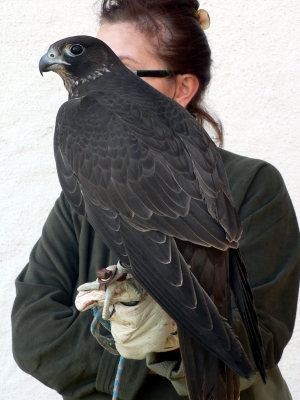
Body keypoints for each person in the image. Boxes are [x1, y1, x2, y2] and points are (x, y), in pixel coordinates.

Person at [11, 1, 300, 399]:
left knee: (212, 343)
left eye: (127, 69)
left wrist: (172, 335)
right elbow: (33, 332)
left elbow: (262, 340)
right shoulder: (90, 152)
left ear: (182, 87)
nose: (54, 59)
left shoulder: (254, 183)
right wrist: (118, 339)